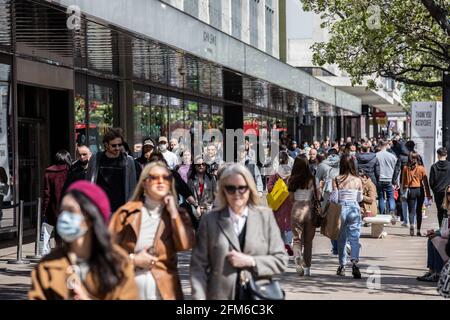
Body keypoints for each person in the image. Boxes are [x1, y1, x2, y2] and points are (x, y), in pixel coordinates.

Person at [190, 163, 287, 300]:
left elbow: (280, 259)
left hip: (258, 294)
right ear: (223, 190)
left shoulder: (265, 217)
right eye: (230, 188)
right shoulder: (209, 220)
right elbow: (198, 266)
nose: (237, 193)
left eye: (242, 188)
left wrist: (251, 261)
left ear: (250, 189)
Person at [29, 181, 138, 300]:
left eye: (71, 211)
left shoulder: (118, 263)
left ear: (91, 217)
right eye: (62, 211)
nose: (64, 217)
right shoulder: (47, 265)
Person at [109, 161, 195, 300]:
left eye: (166, 177)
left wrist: (174, 214)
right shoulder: (126, 213)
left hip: (165, 292)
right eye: (154, 177)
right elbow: (106, 250)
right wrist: (133, 260)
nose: (160, 181)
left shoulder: (179, 216)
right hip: (129, 290)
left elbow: (185, 245)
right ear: (144, 183)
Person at [86, 128, 137, 212]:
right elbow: (88, 182)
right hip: (100, 209)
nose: (117, 148)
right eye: (113, 145)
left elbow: (132, 187)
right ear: (106, 145)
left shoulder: (128, 161)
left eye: (119, 145)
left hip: (120, 209)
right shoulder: (96, 159)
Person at [330, 154, 363, 279]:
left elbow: (335, 198)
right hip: (354, 208)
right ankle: (354, 263)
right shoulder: (358, 180)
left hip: (342, 209)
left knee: (341, 239)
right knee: (354, 238)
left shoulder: (337, 179)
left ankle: (342, 266)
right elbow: (359, 198)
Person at [288, 155, 320, 276]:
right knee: (308, 242)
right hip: (310, 212)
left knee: (296, 240)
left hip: (296, 211)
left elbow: (291, 199)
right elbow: (319, 196)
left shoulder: (291, 180)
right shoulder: (313, 179)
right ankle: (307, 269)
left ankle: (297, 258)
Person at [417, 184, 450, 282]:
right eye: (448, 193)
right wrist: (436, 231)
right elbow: (445, 226)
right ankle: (432, 270)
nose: (449, 196)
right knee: (431, 239)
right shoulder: (448, 209)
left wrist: (439, 234)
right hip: (447, 235)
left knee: (437, 241)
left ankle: (439, 272)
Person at [267, 151, 293, 256]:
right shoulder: (292, 172)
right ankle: (288, 243)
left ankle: (283, 245)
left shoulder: (274, 172)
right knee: (290, 224)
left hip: (278, 201)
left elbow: (269, 188)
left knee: (279, 225)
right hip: (290, 201)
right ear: (287, 160)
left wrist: (277, 187)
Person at [315, 148, 340, 255]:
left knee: (330, 222)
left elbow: (316, 181)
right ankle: (343, 245)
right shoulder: (343, 163)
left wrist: (318, 195)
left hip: (328, 196)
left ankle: (335, 248)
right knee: (341, 221)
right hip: (342, 195)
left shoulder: (322, 165)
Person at [402, 151, 432, 236]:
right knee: (419, 210)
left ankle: (412, 224)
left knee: (411, 210)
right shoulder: (421, 168)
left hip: (410, 190)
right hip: (420, 190)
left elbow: (403, 182)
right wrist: (428, 195)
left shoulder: (405, 168)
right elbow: (425, 183)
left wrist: (403, 191)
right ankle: (418, 230)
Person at [42, 150, 72, 228]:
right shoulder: (71, 171)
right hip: (69, 208)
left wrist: (44, 211)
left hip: (54, 209)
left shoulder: (48, 172)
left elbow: (47, 193)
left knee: (57, 233)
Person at [375, 140, 397, 223]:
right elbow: (396, 169)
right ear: (387, 145)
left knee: (381, 197)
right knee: (391, 197)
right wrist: (395, 181)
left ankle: (381, 214)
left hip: (380, 179)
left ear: (380, 145)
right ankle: (391, 211)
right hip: (389, 179)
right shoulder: (392, 156)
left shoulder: (376, 155)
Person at [429, 147, 450, 228]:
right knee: (448, 211)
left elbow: (431, 182)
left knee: (440, 211)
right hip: (448, 191)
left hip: (438, 192)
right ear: (446, 155)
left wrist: (434, 190)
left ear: (438, 155)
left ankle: (441, 228)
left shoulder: (434, 167)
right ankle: (447, 228)